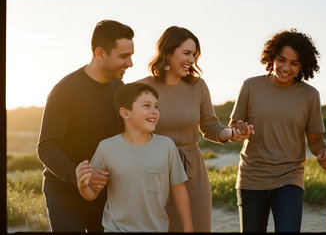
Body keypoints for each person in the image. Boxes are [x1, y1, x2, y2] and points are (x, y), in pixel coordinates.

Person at [135, 26, 253, 232]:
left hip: (192, 171)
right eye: (187, 53)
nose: (192, 60)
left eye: (195, 55)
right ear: (168, 51)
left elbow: (210, 127)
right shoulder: (140, 88)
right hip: (152, 172)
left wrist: (231, 133)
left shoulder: (198, 86)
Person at [229, 28, 326, 233]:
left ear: (303, 65)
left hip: (289, 179)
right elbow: (234, 129)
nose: (286, 67)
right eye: (281, 60)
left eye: (294, 63)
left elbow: (315, 140)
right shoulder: (250, 86)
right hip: (252, 178)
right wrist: (239, 131)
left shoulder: (310, 95)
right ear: (272, 57)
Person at [36, 19, 134, 232]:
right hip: (65, 196)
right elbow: (46, 147)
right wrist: (77, 174)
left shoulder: (119, 88)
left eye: (131, 56)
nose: (130, 63)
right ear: (100, 54)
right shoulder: (65, 90)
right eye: (124, 56)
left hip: (106, 193)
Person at [75, 82, 193, 232]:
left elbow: (179, 189)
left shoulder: (166, 146)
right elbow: (92, 194)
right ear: (125, 113)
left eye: (156, 106)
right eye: (146, 106)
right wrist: (82, 185)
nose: (154, 111)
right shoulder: (106, 148)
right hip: (115, 229)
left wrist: (188, 228)